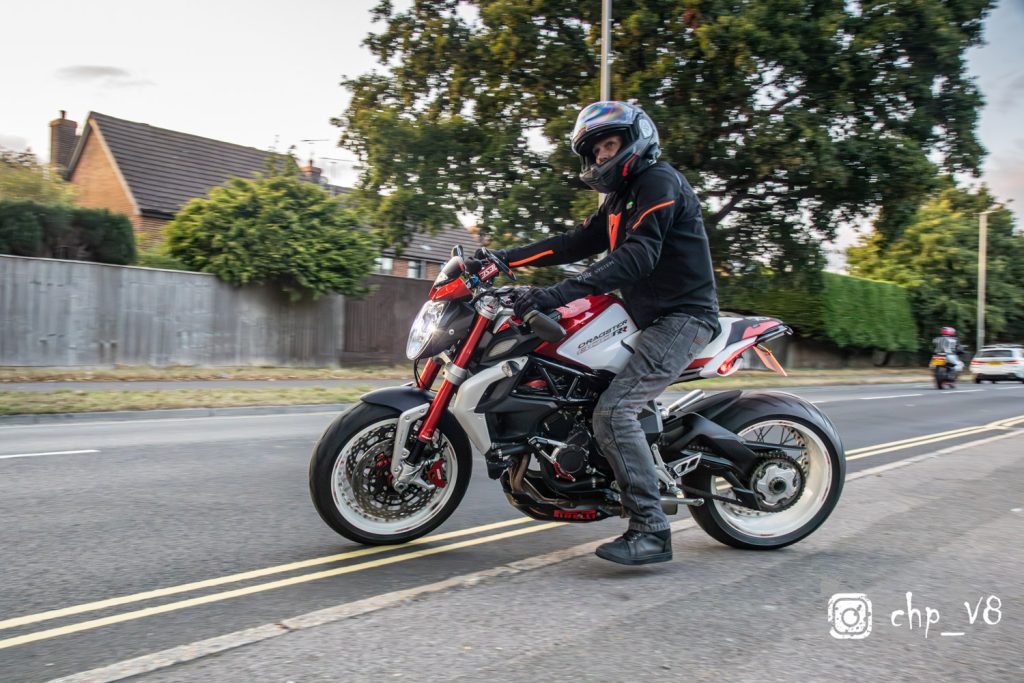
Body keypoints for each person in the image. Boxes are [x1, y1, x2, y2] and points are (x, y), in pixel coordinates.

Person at [481, 101, 720, 565]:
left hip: (682, 318)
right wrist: (501, 260)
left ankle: (651, 528)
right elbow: (571, 243)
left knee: (614, 412)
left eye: (609, 144)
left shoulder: (658, 181)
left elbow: (638, 256)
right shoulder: (618, 199)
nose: (601, 156)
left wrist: (556, 294)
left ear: (634, 140)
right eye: (595, 151)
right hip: (644, 316)